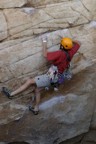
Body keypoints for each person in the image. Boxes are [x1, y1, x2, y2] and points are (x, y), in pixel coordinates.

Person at [2, 37, 81, 115]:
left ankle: (11, 94)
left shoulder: (60, 54)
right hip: (57, 77)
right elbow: (79, 43)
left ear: (62, 46)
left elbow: (45, 54)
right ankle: (36, 109)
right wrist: (70, 42)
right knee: (37, 90)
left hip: (50, 77)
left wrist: (44, 42)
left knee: (29, 81)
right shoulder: (71, 52)